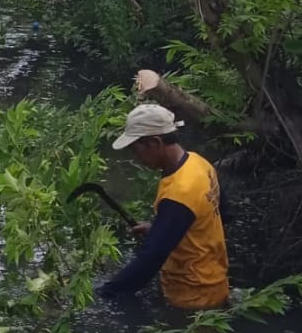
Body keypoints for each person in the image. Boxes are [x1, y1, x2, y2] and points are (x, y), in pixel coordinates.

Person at [97, 103, 228, 310]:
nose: (135, 157)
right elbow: (219, 213)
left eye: (135, 148)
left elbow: (151, 258)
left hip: (192, 299)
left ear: (155, 143)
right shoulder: (198, 163)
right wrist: (160, 228)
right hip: (214, 282)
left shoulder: (180, 192)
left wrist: (107, 292)